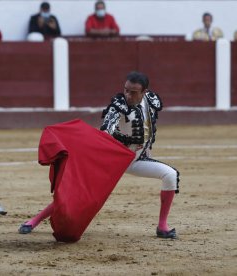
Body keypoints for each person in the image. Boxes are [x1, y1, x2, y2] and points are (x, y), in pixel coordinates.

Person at [19, 71, 180, 239]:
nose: (127, 95)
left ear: (144, 92)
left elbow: (147, 126)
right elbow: (106, 131)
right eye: (126, 90)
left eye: (133, 92)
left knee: (170, 175)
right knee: (78, 195)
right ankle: (34, 220)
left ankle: (162, 227)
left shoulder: (151, 101)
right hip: (112, 161)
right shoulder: (118, 105)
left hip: (137, 159)